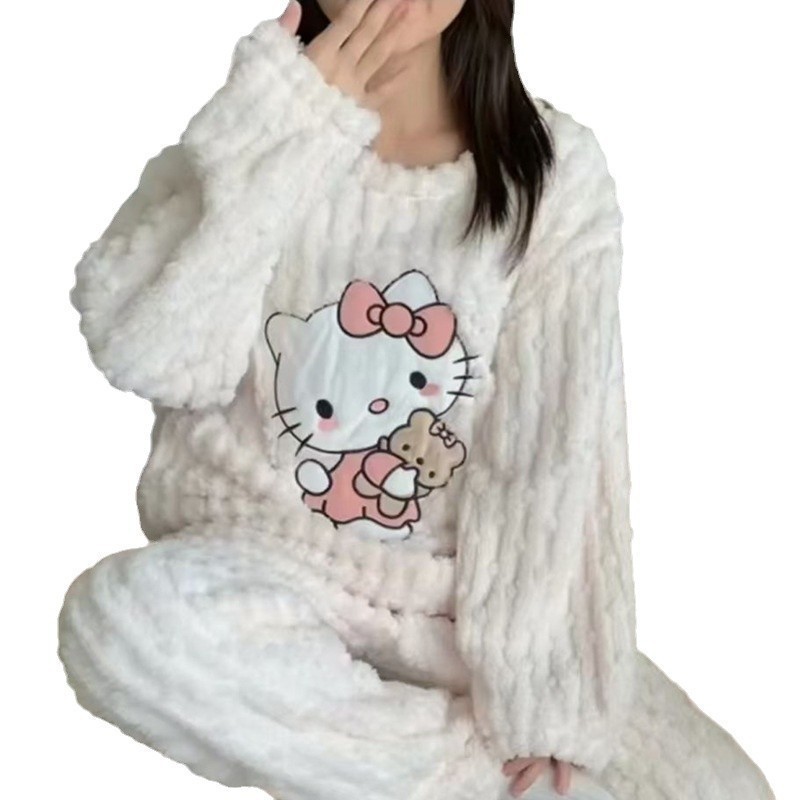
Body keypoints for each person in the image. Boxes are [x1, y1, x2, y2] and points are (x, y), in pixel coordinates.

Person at [57, 1, 775, 799]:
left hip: (455, 611)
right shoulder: (260, 124)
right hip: (264, 567)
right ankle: (469, 783)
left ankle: (431, 751)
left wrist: (544, 701)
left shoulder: (552, 175)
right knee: (124, 625)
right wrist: (282, 123)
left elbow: (552, 457)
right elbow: (153, 355)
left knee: (727, 789)